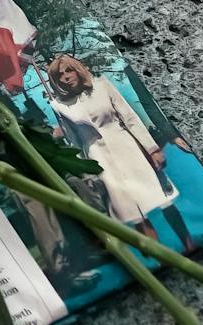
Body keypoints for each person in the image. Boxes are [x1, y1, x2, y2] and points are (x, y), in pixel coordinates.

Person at [46, 54, 184, 239]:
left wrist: (152, 149)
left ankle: (188, 243)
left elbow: (130, 118)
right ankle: (161, 257)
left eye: (69, 70)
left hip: (128, 146)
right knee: (132, 212)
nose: (65, 77)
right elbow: (74, 142)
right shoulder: (60, 106)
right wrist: (87, 172)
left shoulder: (102, 86)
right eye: (59, 75)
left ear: (78, 70)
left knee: (162, 197)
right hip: (100, 159)